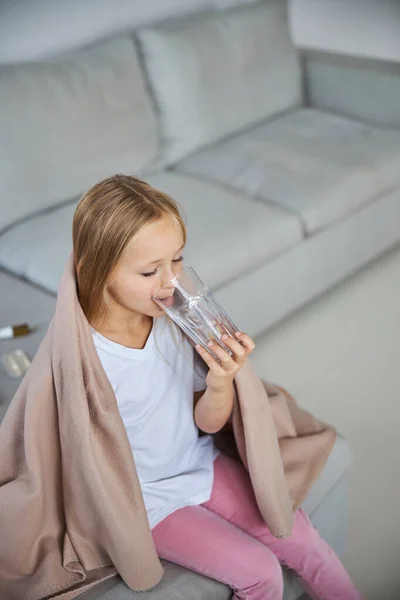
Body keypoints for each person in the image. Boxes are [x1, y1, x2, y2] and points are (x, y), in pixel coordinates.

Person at [72, 173, 362, 600]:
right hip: (150, 502)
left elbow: (207, 424)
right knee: (261, 573)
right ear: (98, 271)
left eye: (177, 260)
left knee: (305, 544)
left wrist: (221, 380)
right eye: (151, 270)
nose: (171, 282)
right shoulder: (88, 361)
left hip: (199, 464)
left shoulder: (170, 323)